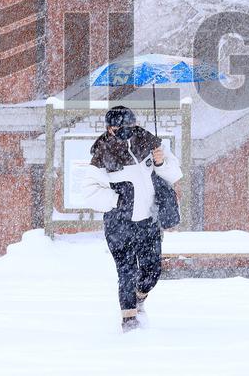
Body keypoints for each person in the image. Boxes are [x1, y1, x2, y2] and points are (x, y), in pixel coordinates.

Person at [80, 105, 183, 333]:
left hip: (148, 222)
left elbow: (174, 175)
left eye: (130, 125)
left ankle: (139, 298)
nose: (126, 130)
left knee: (152, 270)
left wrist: (160, 163)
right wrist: (117, 201)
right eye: (120, 127)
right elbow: (88, 191)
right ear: (110, 128)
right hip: (119, 224)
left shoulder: (150, 143)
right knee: (126, 272)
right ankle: (129, 323)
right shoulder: (101, 155)